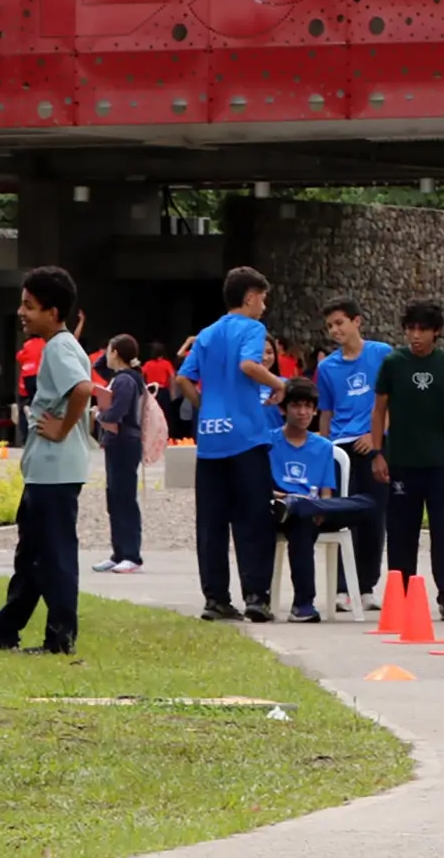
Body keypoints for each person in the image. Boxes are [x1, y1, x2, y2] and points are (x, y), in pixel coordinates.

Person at [0, 267, 91, 654]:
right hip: (44, 472)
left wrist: (61, 429)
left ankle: (60, 638)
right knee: (31, 557)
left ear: (53, 312)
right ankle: (5, 628)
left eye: (29, 306)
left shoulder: (57, 347)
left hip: (56, 471)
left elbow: (83, 388)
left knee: (53, 557)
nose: (22, 312)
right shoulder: (59, 344)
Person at [178, 267, 283, 623]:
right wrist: (279, 384)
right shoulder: (252, 329)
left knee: (211, 523)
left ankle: (216, 599)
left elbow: (183, 377)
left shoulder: (206, 334)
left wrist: (205, 406)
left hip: (210, 437)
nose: (264, 307)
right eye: (263, 298)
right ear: (250, 296)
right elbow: (249, 365)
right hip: (245, 437)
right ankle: (256, 596)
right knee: (254, 518)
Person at [371, 300, 444, 620]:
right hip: (402, 460)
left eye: (422, 330)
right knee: (401, 531)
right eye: (410, 329)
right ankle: (400, 595)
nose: (415, 336)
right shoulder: (393, 363)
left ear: (436, 332)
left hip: (439, 460)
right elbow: (379, 410)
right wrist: (377, 452)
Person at [269, 377, 375, 622]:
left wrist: (319, 508)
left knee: (368, 503)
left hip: (316, 508)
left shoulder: (323, 446)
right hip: (283, 511)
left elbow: (327, 493)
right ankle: (303, 605)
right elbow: (263, 488)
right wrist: (288, 499)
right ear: (283, 409)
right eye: (296, 406)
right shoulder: (270, 442)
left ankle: (303, 506)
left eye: (308, 406)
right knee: (299, 521)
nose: (303, 412)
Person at [315, 297, 395, 611]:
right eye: (330, 326)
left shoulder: (382, 354)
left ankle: (366, 587)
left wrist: (374, 436)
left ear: (356, 321)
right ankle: (339, 588)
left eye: (340, 323)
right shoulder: (326, 367)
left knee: (375, 515)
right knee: (337, 515)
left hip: (374, 444)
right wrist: (321, 451)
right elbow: (326, 412)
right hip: (339, 446)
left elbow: (393, 402)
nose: (335, 330)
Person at [93, 334, 147, 574]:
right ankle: (119, 552)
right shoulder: (119, 377)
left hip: (125, 441)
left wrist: (98, 416)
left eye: (109, 350)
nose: (105, 354)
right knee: (114, 498)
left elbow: (116, 413)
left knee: (124, 498)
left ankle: (132, 554)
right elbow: (98, 366)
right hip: (116, 442)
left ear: (115, 353)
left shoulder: (125, 381)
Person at [15, 333, 44, 448]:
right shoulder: (45, 343)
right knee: (41, 407)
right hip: (40, 378)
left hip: (25, 381)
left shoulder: (26, 346)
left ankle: (26, 439)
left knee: (25, 410)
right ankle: (39, 437)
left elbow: (19, 357)